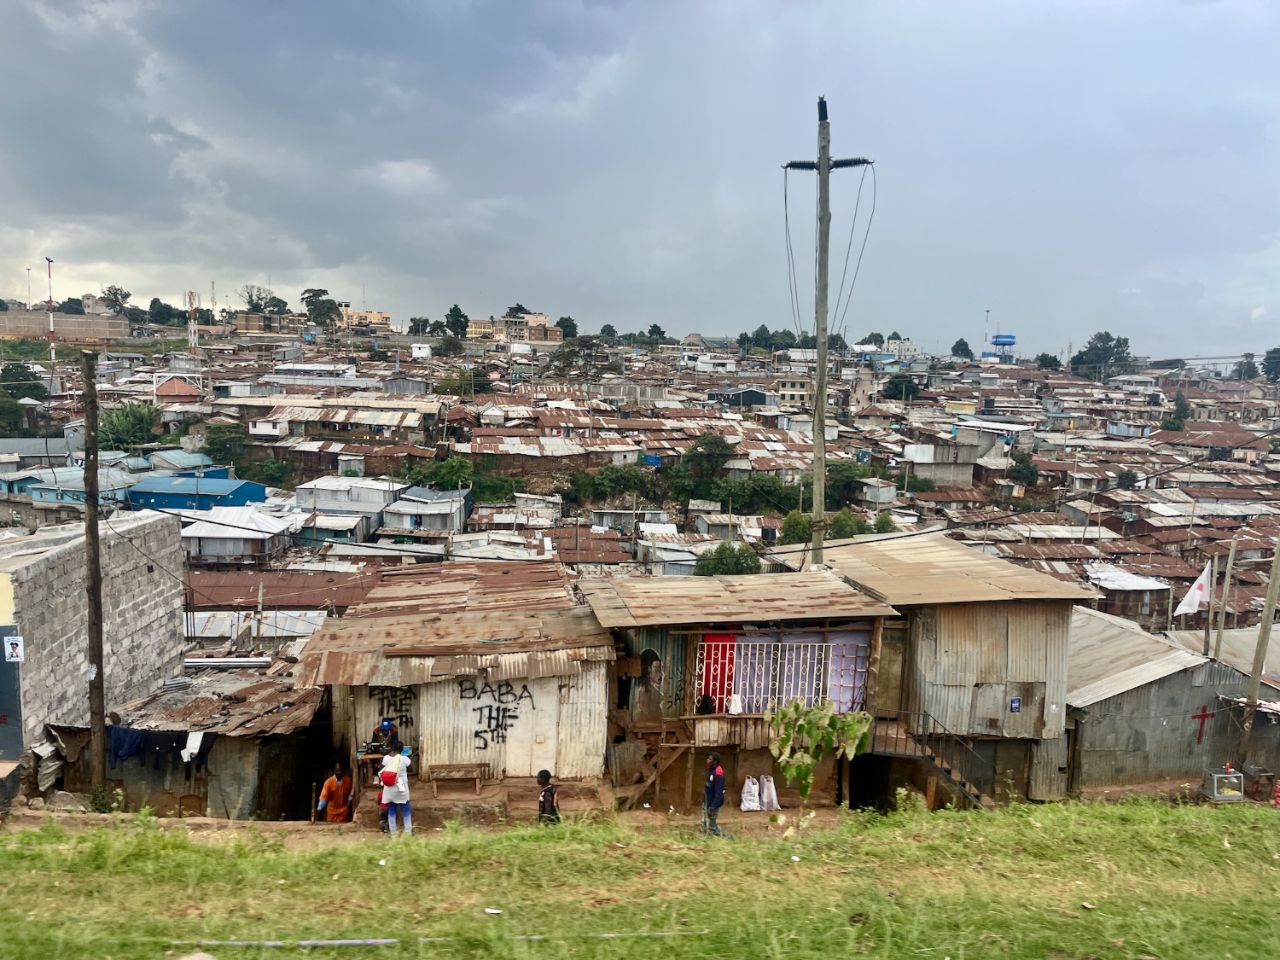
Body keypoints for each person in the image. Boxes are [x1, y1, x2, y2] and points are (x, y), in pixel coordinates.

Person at [380, 745, 412, 836]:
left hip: (390, 789)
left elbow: (382, 769)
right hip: (402, 789)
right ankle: (408, 832)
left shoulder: (386, 758)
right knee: (406, 809)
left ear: (391, 749)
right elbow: (411, 769)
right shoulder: (405, 759)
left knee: (392, 810)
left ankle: (393, 833)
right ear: (401, 750)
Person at [702, 751, 726, 837]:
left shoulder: (718, 772)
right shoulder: (711, 770)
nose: (707, 760)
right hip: (707, 802)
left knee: (712, 828)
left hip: (713, 804)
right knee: (705, 825)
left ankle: (729, 838)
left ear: (715, 761)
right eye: (707, 758)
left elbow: (719, 792)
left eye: (710, 759)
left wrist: (713, 806)